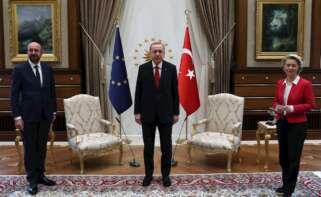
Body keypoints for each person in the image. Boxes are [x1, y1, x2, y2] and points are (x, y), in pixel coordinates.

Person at [11, 42, 57, 195]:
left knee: (41, 147)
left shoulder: (48, 69)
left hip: (45, 116)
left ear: (41, 53)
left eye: (36, 50)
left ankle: (40, 175)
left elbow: (52, 93)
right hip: (27, 117)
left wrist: (54, 112)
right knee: (30, 149)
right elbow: (14, 95)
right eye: (30, 50)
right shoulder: (19, 70)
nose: (33, 52)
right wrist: (17, 117)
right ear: (27, 52)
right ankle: (31, 180)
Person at [134, 41, 179, 187]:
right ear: (150, 53)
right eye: (155, 51)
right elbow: (138, 92)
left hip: (166, 115)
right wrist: (137, 112)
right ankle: (148, 175)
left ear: (163, 53)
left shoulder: (171, 69)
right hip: (147, 115)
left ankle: (166, 176)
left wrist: (176, 112)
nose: (157, 54)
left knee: (167, 148)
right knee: (148, 148)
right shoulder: (143, 69)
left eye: (160, 51)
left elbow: (175, 93)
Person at [272, 54, 315, 197]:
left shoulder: (305, 84)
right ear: (284, 67)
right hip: (282, 123)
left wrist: (291, 108)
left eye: (293, 65)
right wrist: (276, 107)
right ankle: (285, 185)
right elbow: (276, 101)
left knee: (293, 158)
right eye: (288, 65)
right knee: (283, 157)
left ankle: (289, 189)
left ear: (298, 68)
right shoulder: (280, 83)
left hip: (297, 126)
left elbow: (311, 104)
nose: (290, 67)